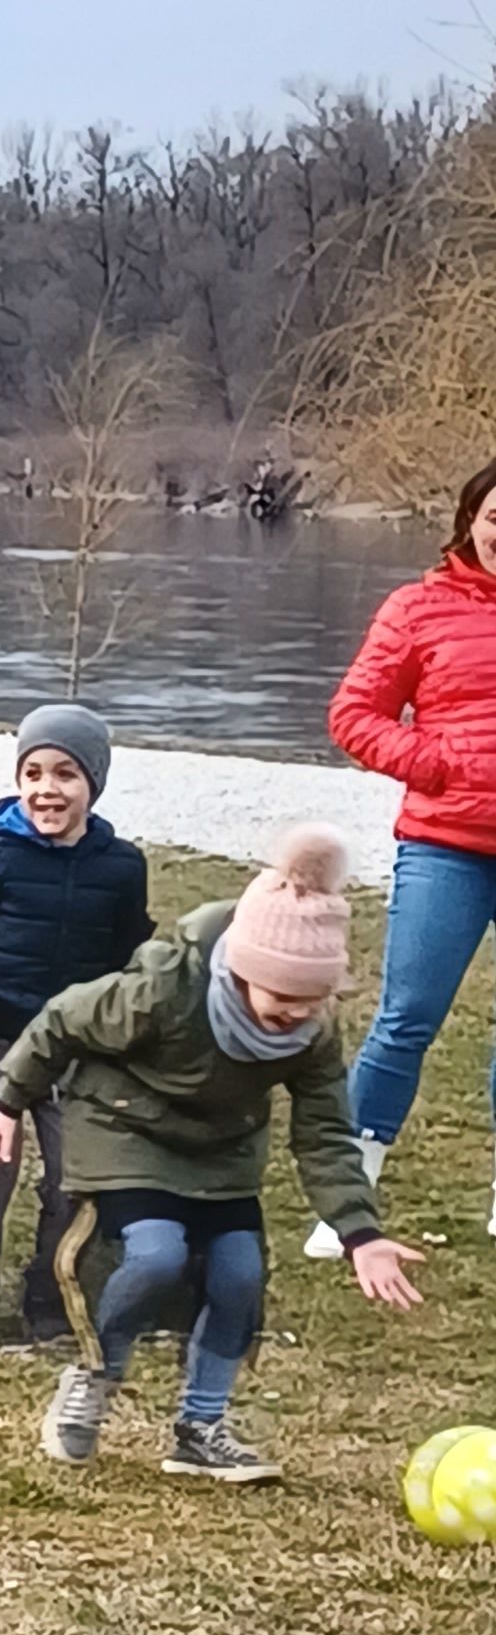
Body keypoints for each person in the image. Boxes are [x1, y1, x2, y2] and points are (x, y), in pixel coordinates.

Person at [0, 828, 425, 1484]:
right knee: (157, 1253)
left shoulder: (311, 1033)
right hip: (123, 1126)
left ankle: (201, 1427)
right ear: (243, 972)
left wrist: (360, 1233)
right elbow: (61, 1020)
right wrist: (7, 1102)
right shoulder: (165, 987)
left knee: (241, 1276)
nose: (295, 1014)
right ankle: (94, 1377)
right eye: (282, 998)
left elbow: (326, 1134)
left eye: (312, 1001)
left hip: (221, 1150)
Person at [0, 705, 151, 1344]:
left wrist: (125, 1032)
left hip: (77, 1054)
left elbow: (130, 959)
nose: (47, 789)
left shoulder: (121, 866)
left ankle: (52, 1298)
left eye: (65, 775)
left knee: (73, 1182)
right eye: (33, 773)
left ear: (94, 784)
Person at [318, 454, 496, 1235]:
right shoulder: (418, 608)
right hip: (446, 842)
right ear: (472, 520)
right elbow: (354, 714)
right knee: (407, 1015)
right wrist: (434, 762)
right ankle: (349, 1199)